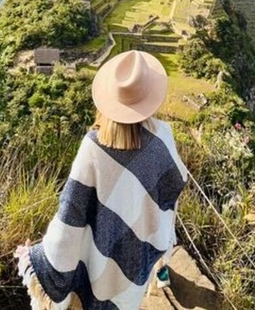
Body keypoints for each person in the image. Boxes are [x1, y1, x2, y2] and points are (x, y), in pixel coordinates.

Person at [15, 50, 188, 309]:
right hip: (139, 259)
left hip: (101, 262)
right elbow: (170, 189)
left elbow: (70, 216)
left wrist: (36, 258)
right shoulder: (163, 136)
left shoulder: (94, 147)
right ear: (149, 96)